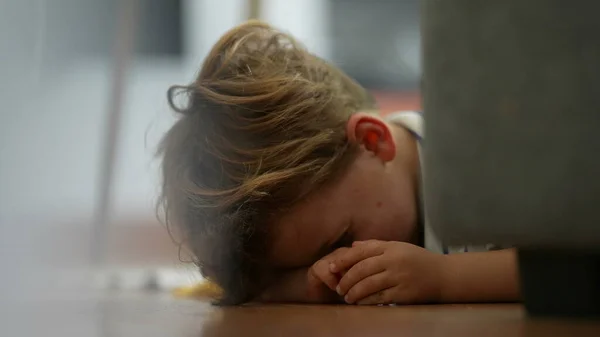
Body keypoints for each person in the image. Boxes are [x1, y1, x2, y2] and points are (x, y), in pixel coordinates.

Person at [158, 21, 520, 305]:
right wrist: (302, 286)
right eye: (305, 267)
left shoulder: (485, 157)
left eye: (342, 241)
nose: (341, 269)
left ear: (372, 141)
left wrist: (446, 278)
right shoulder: (342, 208)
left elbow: (570, 270)